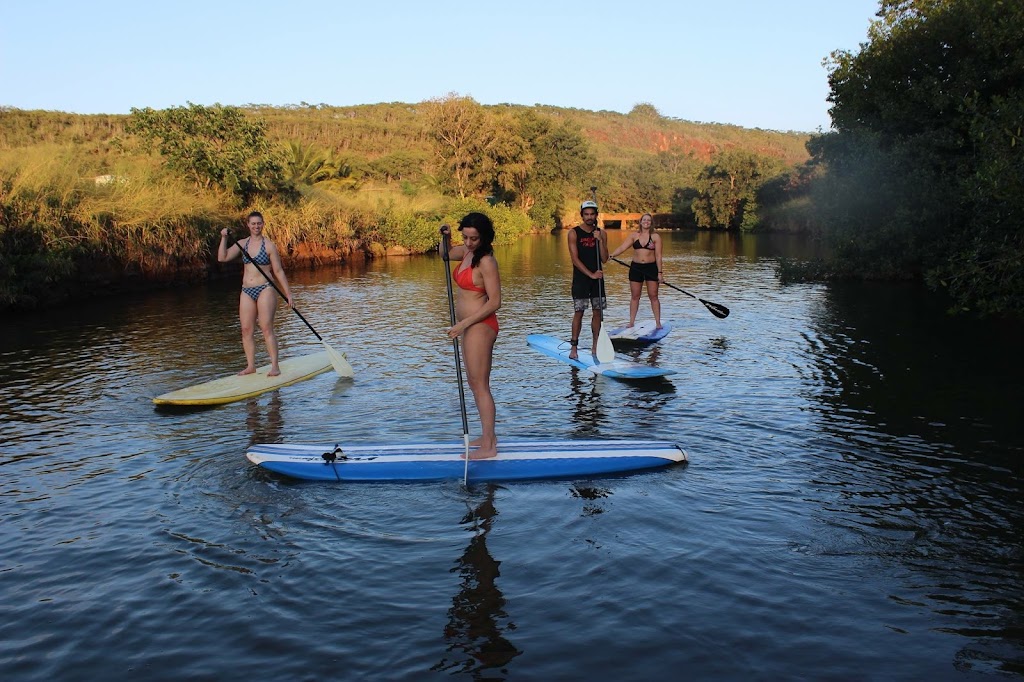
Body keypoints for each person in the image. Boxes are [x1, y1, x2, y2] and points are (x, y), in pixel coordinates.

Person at [441, 212, 501, 460]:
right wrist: (445, 236)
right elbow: (444, 254)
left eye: (473, 238)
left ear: (483, 238)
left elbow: (495, 301)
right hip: (468, 326)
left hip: (481, 324)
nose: (467, 242)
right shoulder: (466, 253)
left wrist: (463, 323)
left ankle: (489, 446)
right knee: (474, 383)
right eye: (464, 237)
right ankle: (488, 436)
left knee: (480, 384)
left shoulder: (486, 261)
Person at [218, 211, 294, 377]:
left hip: (265, 288)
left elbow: (278, 271)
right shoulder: (242, 244)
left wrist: (288, 293)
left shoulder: (269, 246)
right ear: (248, 225)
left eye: (259, 223)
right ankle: (250, 366)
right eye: (253, 223)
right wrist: (223, 238)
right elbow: (222, 258)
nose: (256, 226)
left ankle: (275, 366)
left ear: (263, 224)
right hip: (246, 290)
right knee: (246, 329)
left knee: (266, 327)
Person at [567, 199, 608, 360]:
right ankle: (574, 348)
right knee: (579, 312)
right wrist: (590, 274)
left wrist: (601, 241)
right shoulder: (574, 233)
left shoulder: (601, 233)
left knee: (598, 313)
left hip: (597, 280)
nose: (589, 217)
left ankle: (595, 346)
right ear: (582, 216)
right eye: (586, 214)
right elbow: (575, 259)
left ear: (596, 215)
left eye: (592, 214)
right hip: (581, 280)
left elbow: (604, 259)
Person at [608, 212, 664, 328]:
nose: (646, 222)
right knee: (635, 296)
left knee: (653, 295)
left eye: (648, 220)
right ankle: (631, 322)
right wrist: (612, 255)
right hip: (636, 268)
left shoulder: (655, 237)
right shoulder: (634, 236)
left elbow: (658, 256)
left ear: (651, 223)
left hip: (651, 267)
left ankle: (658, 322)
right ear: (640, 222)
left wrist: (660, 273)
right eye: (644, 220)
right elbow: (623, 247)